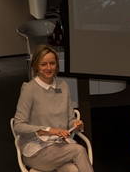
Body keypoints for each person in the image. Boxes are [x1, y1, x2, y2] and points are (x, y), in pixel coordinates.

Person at [13, 44, 94, 172]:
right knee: (79, 150)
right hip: (37, 151)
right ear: (36, 66)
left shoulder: (63, 86)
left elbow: (70, 119)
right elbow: (18, 126)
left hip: (60, 147)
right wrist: (48, 130)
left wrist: (76, 124)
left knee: (73, 170)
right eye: (43, 64)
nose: (49, 68)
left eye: (52, 63)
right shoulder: (29, 89)